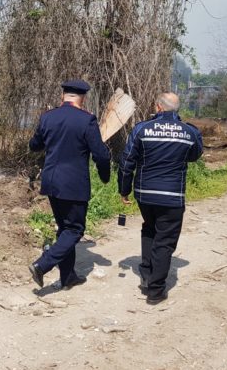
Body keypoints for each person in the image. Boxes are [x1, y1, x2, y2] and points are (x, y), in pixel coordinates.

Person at [118, 92, 203, 304]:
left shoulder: (141, 129)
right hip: (172, 196)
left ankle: (147, 274)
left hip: (145, 195)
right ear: (176, 109)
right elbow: (195, 155)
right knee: (164, 240)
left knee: (149, 228)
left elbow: (127, 161)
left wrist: (124, 189)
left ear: (158, 107)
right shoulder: (189, 132)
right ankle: (155, 290)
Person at [28, 79, 112, 291]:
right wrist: (105, 175)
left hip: (51, 181)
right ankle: (43, 264)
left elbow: (34, 145)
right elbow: (101, 155)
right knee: (75, 229)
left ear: (63, 96)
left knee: (64, 228)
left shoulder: (48, 117)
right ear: (82, 97)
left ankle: (68, 277)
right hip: (73, 184)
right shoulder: (87, 120)